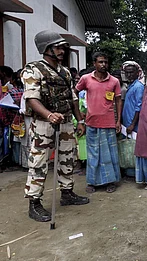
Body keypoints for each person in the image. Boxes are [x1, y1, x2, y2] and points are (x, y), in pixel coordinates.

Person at [22, 30, 89, 222]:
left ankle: (67, 193)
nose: (61, 51)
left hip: (66, 121)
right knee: (39, 163)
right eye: (57, 47)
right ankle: (34, 203)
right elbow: (32, 98)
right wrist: (49, 115)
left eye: (62, 47)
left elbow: (73, 98)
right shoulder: (32, 69)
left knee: (67, 158)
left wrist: (80, 120)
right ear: (46, 48)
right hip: (44, 123)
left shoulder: (65, 71)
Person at [75, 52, 122, 193]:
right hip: (91, 123)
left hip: (108, 123)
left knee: (110, 154)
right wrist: (79, 114)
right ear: (94, 63)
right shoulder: (85, 79)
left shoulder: (114, 81)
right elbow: (74, 94)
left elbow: (118, 101)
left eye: (105, 62)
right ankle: (92, 182)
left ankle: (110, 181)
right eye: (100, 62)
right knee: (93, 154)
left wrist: (118, 120)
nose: (103, 65)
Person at [121, 61, 145, 177]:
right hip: (127, 124)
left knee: (134, 149)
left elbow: (139, 107)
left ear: (137, 73)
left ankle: (137, 174)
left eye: (131, 72)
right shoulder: (131, 86)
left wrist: (132, 124)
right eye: (127, 73)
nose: (129, 75)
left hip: (134, 125)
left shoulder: (138, 86)